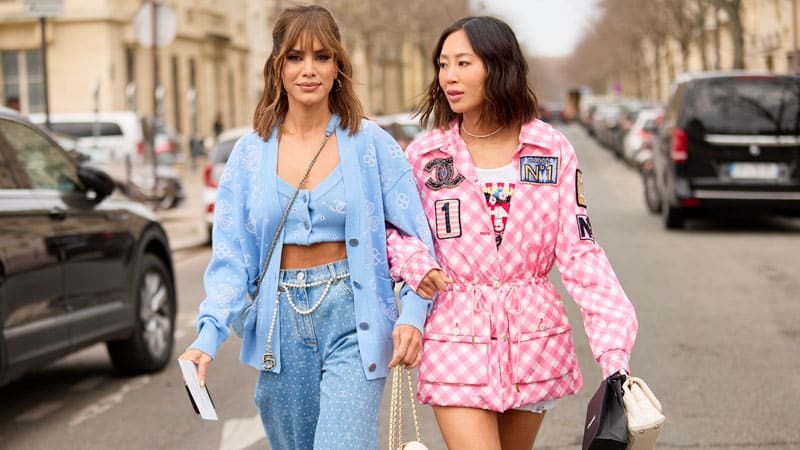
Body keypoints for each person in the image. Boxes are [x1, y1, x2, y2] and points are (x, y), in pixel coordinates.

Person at [178, 5, 436, 449]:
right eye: (295, 57)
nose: (308, 70)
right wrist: (207, 335)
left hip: (354, 317)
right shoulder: (249, 154)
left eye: (321, 56)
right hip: (278, 324)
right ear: (277, 67)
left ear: (339, 66)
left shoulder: (372, 144)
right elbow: (231, 260)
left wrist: (413, 315)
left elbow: (414, 238)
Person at [387, 16, 638, 450]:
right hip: (455, 334)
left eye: (463, 63)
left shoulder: (549, 148)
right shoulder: (426, 155)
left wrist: (614, 353)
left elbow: (580, 252)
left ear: (498, 66)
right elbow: (394, 231)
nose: (449, 76)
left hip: (533, 339)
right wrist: (416, 265)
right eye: (443, 64)